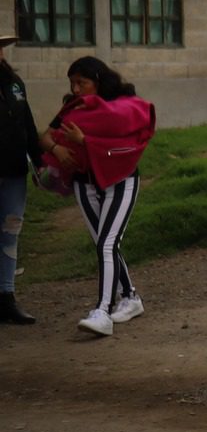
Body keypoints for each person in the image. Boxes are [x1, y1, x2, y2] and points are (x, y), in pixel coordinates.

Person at [39, 57, 156, 337]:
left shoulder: (125, 107)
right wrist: (57, 149)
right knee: (105, 245)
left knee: (106, 244)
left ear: (99, 80)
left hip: (120, 181)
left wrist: (85, 143)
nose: (76, 89)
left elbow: (128, 145)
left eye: (82, 82)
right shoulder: (74, 107)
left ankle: (102, 311)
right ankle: (130, 297)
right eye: (72, 83)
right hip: (84, 183)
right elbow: (45, 135)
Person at [0, 33, 37, 325]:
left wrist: (40, 164)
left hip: (13, 172)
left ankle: (6, 297)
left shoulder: (14, 84)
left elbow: (27, 125)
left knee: (10, 231)